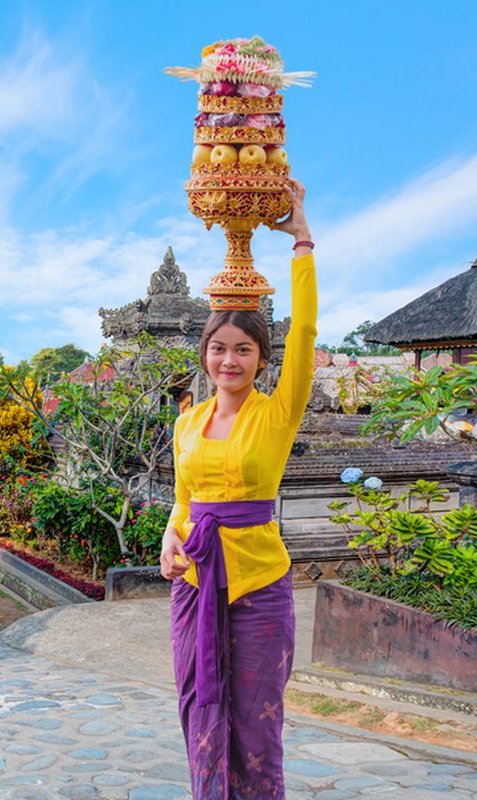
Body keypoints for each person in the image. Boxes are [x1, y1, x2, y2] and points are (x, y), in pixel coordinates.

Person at [159, 178, 316, 799]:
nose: (230, 360)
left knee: (257, 728)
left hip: (258, 589)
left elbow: (303, 335)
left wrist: (301, 239)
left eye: (243, 349)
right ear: (205, 354)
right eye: (219, 348)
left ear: (260, 357)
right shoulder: (187, 423)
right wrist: (170, 542)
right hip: (196, 588)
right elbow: (182, 502)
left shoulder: (276, 413)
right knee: (200, 718)